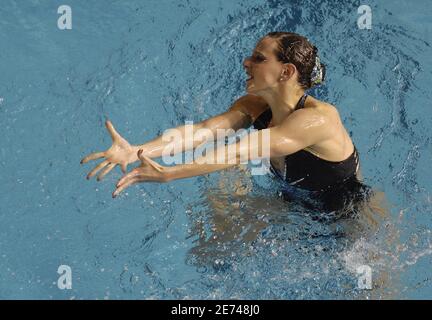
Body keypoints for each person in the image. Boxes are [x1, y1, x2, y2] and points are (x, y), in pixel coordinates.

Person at [81, 31, 371, 214]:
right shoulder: (254, 107)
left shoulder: (319, 119)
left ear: (286, 71)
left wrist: (170, 173)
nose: (246, 62)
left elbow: (240, 151)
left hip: (352, 219)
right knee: (220, 191)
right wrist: (137, 150)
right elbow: (203, 131)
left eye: (258, 58)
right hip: (291, 203)